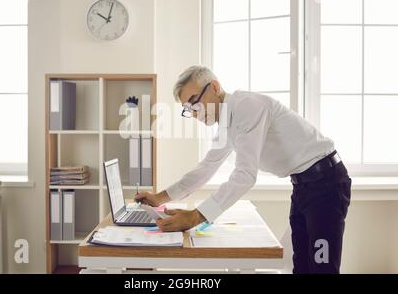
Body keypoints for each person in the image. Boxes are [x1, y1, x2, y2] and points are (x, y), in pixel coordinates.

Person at [135, 66, 351, 274]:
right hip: (303, 186)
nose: (193, 113)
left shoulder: (247, 107)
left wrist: (195, 217)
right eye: (188, 109)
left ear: (214, 87)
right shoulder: (227, 124)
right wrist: (159, 198)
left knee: (322, 269)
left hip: (326, 184)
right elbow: (206, 168)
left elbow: (245, 176)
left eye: (194, 102)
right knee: (302, 267)